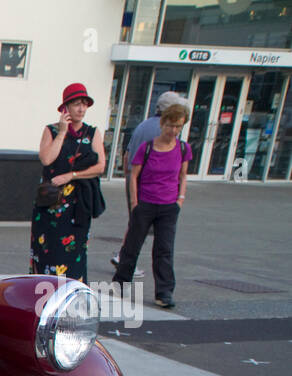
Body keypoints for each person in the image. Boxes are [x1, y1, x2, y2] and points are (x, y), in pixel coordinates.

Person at [112, 103, 191, 309]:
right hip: (146, 202)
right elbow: (134, 175)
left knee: (164, 248)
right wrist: (135, 202)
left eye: (178, 127)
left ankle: (164, 292)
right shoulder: (147, 148)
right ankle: (121, 283)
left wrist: (180, 199)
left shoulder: (183, 148)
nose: (173, 131)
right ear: (163, 123)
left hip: (168, 206)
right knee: (133, 245)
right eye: (171, 126)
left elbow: (183, 175)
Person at [30, 83, 106, 283]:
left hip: (78, 205)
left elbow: (100, 166)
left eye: (84, 104)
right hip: (50, 204)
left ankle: (73, 296)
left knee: (74, 255)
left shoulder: (92, 133)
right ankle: (43, 295)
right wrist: (63, 132)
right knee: (47, 251)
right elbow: (47, 159)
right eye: (76, 104)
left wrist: (71, 175)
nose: (81, 109)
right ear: (66, 108)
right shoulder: (52, 130)